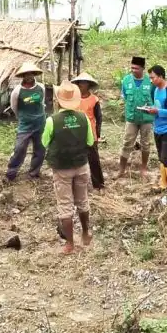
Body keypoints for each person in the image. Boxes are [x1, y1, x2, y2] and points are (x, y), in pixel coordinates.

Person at [43, 82, 94, 254]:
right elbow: (90, 142)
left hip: (61, 167)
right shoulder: (83, 118)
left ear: (58, 100)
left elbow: (44, 142)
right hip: (81, 164)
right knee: (82, 200)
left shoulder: (52, 121)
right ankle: (85, 233)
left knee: (65, 205)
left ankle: (70, 244)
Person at [5, 62, 47, 181]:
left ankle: (34, 173)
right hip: (25, 125)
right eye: (26, 74)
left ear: (34, 74)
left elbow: (42, 103)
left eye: (31, 74)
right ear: (23, 76)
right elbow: (14, 107)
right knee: (19, 149)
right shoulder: (17, 91)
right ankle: (11, 173)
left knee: (40, 149)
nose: (29, 76)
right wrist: (23, 117)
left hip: (40, 123)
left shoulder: (41, 87)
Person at [143, 65, 167, 198]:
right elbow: (157, 107)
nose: (151, 80)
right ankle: (163, 184)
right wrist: (150, 109)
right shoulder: (156, 90)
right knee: (161, 157)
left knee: (166, 158)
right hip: (157, 128)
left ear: (160, 76)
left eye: (153, 77)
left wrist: (158, 111)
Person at [118, 56, 154, 179]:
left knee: (146, 144)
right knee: (127, 143)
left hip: (146, 118)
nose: (133, 70)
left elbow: (154, 99)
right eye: (132, 68)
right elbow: (125, 97)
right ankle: (121, 169)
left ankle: (143, 169)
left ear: (143, 68)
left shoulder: (150, 82)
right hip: (131, 118)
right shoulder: (126, 80)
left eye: (136, 68)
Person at [71, 72, 104, 189]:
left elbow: (99, 118)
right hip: (75, 133)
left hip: (90, 133)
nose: (81, 85)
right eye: (79, 82)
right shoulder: (72, 99)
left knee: (93, 160)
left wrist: (97, 135)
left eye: (83, 83)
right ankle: (76, 184)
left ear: (88, 85)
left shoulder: (94, 99)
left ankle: (98, 184)